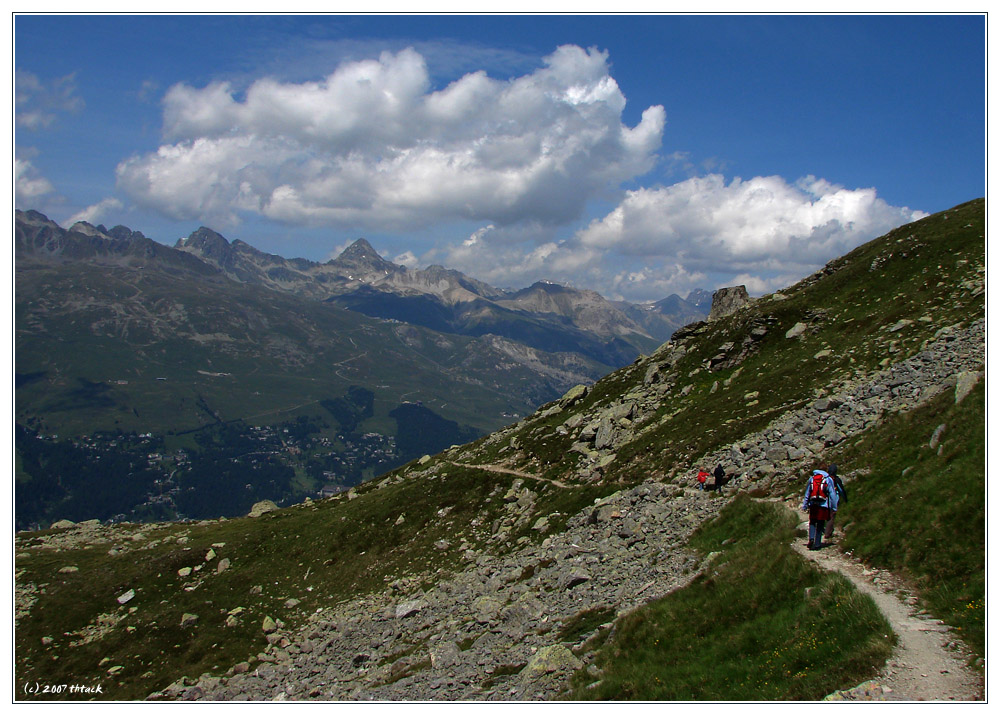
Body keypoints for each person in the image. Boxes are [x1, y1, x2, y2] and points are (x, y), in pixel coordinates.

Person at [801, 468, 838, 550]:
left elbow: (808, 493)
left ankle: (811, 538)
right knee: (820, 524)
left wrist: (805, 505)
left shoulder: (812, 478)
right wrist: (834, 507)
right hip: (823, 505)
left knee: (812, 522)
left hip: (813, 504)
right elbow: (832, 494)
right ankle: (817, 544)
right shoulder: (828, 479)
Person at [823, 464, 847, 540]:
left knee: (825, 515)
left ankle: (822, 530)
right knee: (832, 516)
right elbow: (841, 490)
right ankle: (828, 533)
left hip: (824, 500)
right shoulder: (836, 479)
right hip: (834, 501)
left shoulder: (825, 479)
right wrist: (845, 499)